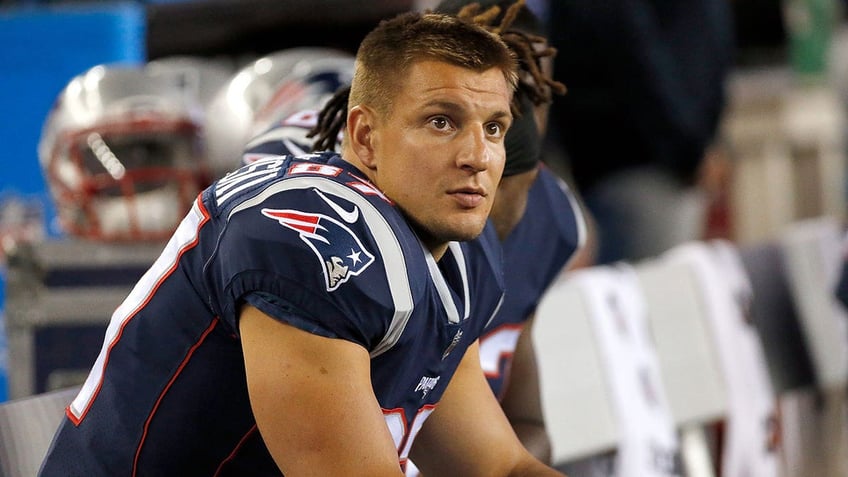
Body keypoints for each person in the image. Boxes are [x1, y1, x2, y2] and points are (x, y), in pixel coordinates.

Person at [39, 8, 565, 477]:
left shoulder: (457, 248)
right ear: (363, 138)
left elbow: (495, 464)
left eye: (494, 128)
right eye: (441, 122)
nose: (477, 154)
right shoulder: (313, 241)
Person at [543, 0, 735, 264]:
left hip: (676, 154)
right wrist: (690, 150)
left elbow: (703, 44)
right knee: (648, 295)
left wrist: (712, 140)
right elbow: (633, 51)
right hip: (641, 161)